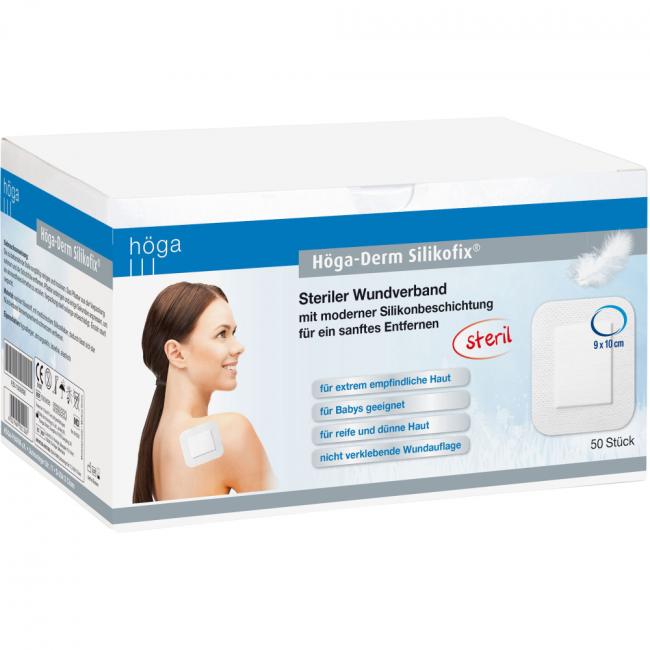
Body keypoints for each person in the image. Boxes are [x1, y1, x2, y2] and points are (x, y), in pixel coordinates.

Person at [132, 281, 274, 503]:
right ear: (176, 354)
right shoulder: (231, 432)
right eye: (222, 334)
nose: (238, 347)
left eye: (233, 332)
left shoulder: (158, 441)